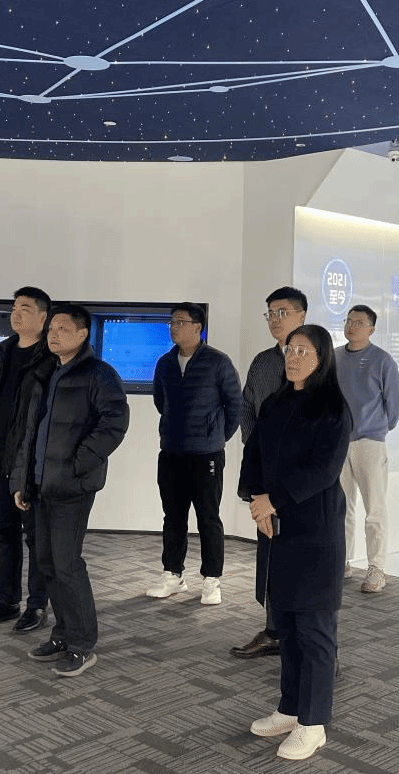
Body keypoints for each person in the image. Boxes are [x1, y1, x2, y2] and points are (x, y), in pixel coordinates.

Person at [240, 324, 350, 761]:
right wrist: (256, 500)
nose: (293, 356)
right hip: (275, 527)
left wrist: (273, 500)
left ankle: (314, 723)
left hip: (314, 531)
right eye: (290, 349)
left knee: (314, 630)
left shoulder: (333, 408)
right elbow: (253, 453)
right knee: (285, 625)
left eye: (304, 350)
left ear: (321, 359)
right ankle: (290, 709)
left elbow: (323, 470)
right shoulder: (275, 402)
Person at [9, 303, 129, 678]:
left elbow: (115, 422)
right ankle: (62, 635)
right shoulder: (47, 372)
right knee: (46, 564)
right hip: (40, 485)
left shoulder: (99, 374)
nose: (54, 334)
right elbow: (31, 433)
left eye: (63, 328)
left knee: (67, 564)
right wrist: (22, 480)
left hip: (72, 487)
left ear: (82, 334)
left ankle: (81, 644)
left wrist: (79, 463)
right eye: (52, 329)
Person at [0, 286, 52, 632]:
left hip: (30, 462)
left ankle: (37, 605)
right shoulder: (2, 352)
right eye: (14, 308)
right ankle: (7, 601)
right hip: (0, 458)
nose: (16, 314)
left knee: (36, 536)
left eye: (25, 309)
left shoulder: (50, 357)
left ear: (43, 317)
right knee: (3, 530)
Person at [146, 302, 243, 605]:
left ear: (198, 327)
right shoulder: (165, 363)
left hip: (207, 455)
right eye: (172, 322)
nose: (174, 327)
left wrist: (216, 437)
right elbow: (160, 401)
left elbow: (235, 405)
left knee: (208, 517)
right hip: (171, 452)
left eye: (180, 322)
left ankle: (212, 579)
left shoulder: (218, 362)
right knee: (173, 517)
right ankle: (173, 574)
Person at [230, 286, 308, 660]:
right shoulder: (263, 362)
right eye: (270, 314)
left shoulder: (316, 360)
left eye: (282, 312)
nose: (274, 320)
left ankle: (312, 642)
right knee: (271, 552)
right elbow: (246, 407)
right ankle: (274, 630)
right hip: (267, 475)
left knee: (303, 559)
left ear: (301, 316)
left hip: (302, 480)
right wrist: (257, 449)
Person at [335, 304, 399, 594]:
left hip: (370, 442)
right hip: (339, 442)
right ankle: (342, 561)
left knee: (374, 507)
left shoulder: (382, 360)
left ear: (371, 329)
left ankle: (376, 567)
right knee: (341, 507)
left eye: (359, 322)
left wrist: (379, 428)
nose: (352, 326)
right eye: (349, 320)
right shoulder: (334, 358)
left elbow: (395, 403)